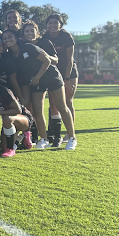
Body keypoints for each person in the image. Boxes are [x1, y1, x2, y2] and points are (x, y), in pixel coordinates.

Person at [2, 29, 78, 150]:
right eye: (4, 38)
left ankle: (72, 138)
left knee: (61, 107)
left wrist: (37, 77)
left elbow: (47, 60)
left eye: (9, 36)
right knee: (37, 111)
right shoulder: (10, 56)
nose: (7, 40)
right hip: (36, 82)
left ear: (16, 38)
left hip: (51, 76)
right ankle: (44, 139)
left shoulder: (28, 47)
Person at [0, 69, 33, 157]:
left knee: (6, 118)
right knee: (3, 148)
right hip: (8, 122)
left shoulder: (3, 90)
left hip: (23, 118)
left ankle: (11, 149)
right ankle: (23, 137)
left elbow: (18, 110)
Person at [42, 15, 78, 144]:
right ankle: (54, 133)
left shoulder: (66, 37)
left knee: (67, 102)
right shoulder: (44, 37)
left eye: (55, 23)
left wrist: (67, 79)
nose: (52, 25)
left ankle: (70, 134)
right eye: (49, 22)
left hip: (69, 73)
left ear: (60, 25)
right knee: (54, 104)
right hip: (53, 74)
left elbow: (70, 60)